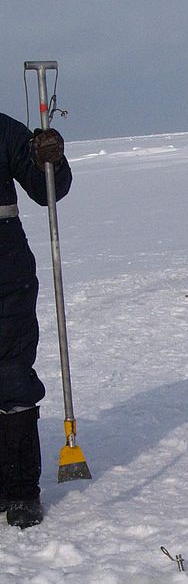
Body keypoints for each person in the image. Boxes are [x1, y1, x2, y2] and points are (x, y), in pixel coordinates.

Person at [0, 113, 72, 526]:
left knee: (11, 379)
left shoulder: (4, 131)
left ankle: (21, 490)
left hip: (6, 275)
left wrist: (51, 160)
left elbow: (48, 191)